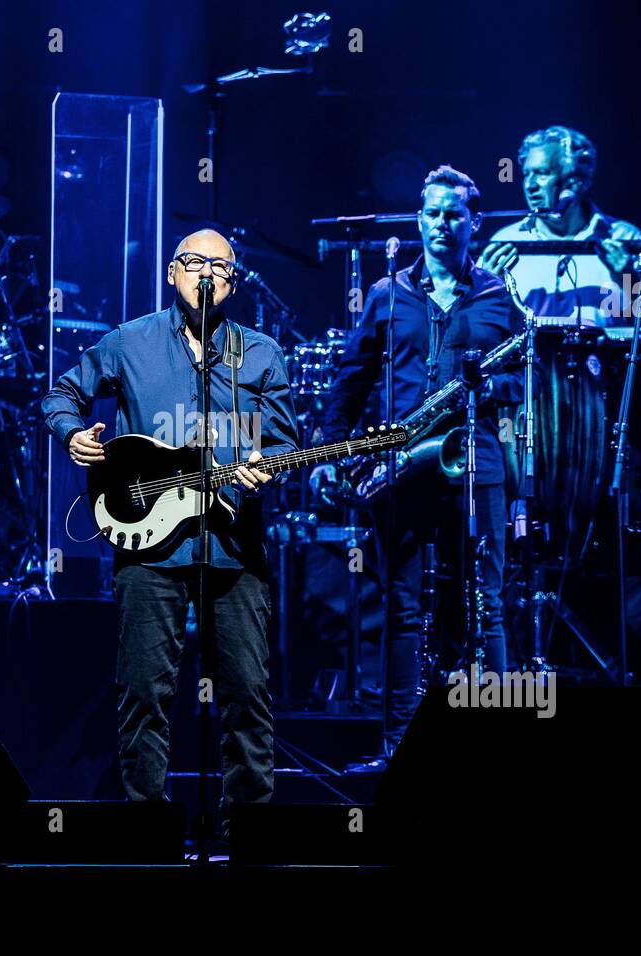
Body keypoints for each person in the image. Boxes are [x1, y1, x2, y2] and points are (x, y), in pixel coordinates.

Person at [42, 229, 300, 813]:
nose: (205, 273)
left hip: (233, 547)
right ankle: (146, 834)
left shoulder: (259, 353)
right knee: (143, 694)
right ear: (171, 273)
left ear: (234, 281)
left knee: (247, 694)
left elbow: (282, 440)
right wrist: (73, 434)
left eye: (219, 265)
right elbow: (60, 395)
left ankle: (249, 838)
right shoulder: (130, 341)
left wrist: (265, 467)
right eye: (193, 262)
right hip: (148, 544)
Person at [314, 165, 523, 769]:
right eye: (431, 213)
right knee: (401, 605)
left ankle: (489, 745)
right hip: (402, 461)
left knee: (485, 603)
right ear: (419, 219)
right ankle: (400, 746)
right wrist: (333, 450)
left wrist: (494, 382)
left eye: (453, 214)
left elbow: (518, 381)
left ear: (473, 223)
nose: (440, 224)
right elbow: (350, 381)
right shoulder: (387, 294)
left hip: (475, 463)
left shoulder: (496, 296)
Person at [479, 125, 641, 328]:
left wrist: (630, 279)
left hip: (604, 359)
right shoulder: (504, 242)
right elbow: (478, 327)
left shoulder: (624, 236)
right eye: (525, 174)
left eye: (542, 173)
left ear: (575, 181)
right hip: (526, 359)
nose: (529, 185)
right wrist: (482, 290)